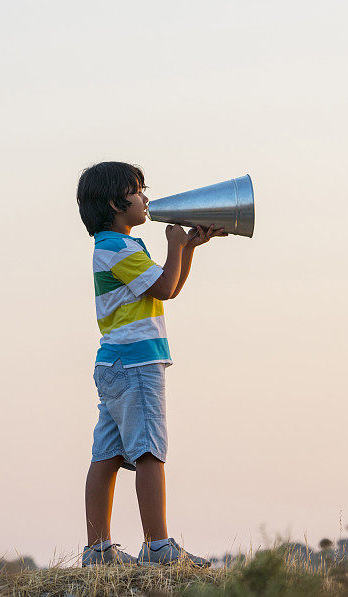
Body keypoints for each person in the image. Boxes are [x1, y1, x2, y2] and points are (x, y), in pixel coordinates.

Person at [76, 161, 227, 567]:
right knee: (149, 452)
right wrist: (175, 244)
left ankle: (98, 550)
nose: (146, 198)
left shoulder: (115, 246)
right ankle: (158, 546)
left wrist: (188, 248)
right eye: (139, 191)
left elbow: (169, 286)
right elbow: (164, 285)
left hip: (115, 362)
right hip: (137, 362)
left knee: (106, 455)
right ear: (114, 202)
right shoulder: (117, 247)